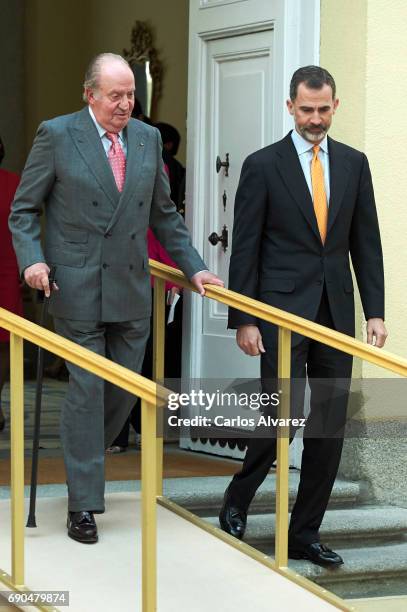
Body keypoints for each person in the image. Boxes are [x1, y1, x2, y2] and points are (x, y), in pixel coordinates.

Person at [9, 52, 223, 544]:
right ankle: (84, 503)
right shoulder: (58, 135)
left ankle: (83, 464)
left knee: (121, 394)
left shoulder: (148, 140)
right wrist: (32, 260)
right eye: (115, 95)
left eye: (131, 95)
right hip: (76, 287)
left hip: (130, 288)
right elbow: (23, 210)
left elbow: (164, 216)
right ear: (89, 95)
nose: (125, 104)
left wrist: (195, 268)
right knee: (86, 393)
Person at [219, 66, 387, 567]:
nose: (315, 119)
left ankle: (305, 532)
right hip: (278, 313)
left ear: (335, 107)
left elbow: (366, 243)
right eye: (306, 109)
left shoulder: (355, 164)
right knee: (282, 417)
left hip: (336, 312)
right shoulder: (262, 165)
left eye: (324, 110)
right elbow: (244, 246)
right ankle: (237, 500)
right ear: (290, 107)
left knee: (329, 423)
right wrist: (243, 318)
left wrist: (374, 312)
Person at [0, 136, 23, 431]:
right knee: (3, 342)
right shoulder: (14, 183)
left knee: (4, 340)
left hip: (6, 268)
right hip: (8, 267)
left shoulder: (15, 183)